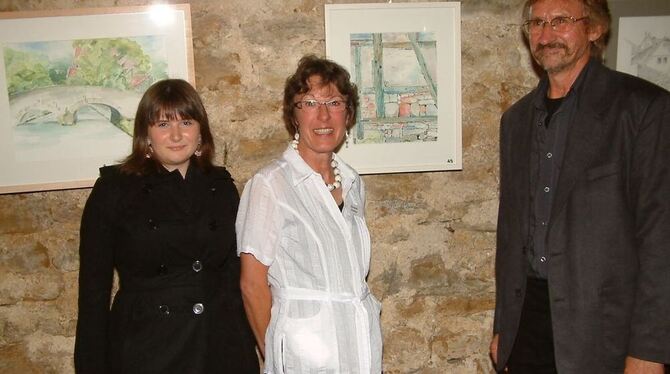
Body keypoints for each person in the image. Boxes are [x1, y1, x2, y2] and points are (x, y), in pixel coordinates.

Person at [490, 0, 670, 373]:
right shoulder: (516, 121)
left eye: (561, 21)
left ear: (595, 28)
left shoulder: (644, 109)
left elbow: (661, 238)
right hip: (528, 325)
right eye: (537, 23)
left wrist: (650, 350)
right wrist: (504, 327)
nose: (546, 34)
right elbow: (510, 236)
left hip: (605, 331)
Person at [74, 79, 259, 373]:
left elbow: (232, 279)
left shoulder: (221, 187)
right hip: (147, 348)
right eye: (162, 124)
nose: (176, 135)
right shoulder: (114, 190)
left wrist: (245, 353)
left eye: (186, 122)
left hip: (217, 347)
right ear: (145, 135)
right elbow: (93, 295)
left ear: (201, 133)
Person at [236, 55, 383, 373]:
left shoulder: (353, 181)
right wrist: (276, 350)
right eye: (310, 103)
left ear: (349, 112)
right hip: (304, 352)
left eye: (334, 102)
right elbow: (251, 284)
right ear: (294, 115)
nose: (324, 115)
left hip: (358, 343)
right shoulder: (269, 184)